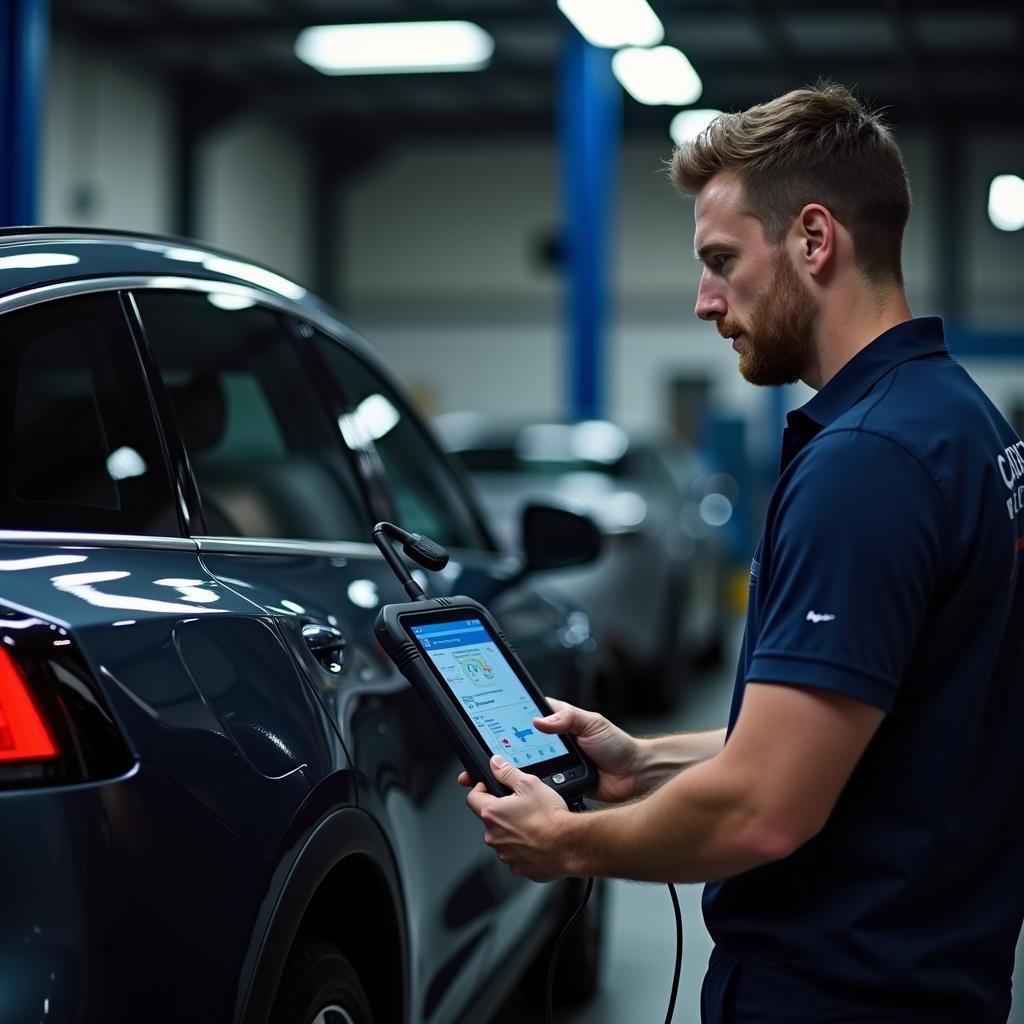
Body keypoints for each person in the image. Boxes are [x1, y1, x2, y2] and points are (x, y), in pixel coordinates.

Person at [462, 82, 1024, 1023]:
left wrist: (571, 844)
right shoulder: (960, 417)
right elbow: (843, 731)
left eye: (721, 260)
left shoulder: (867, 464)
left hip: (837, 990)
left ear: (814, 240)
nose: (702, 300)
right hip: (934, 975)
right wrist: (643, 761)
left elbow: (767, 806)